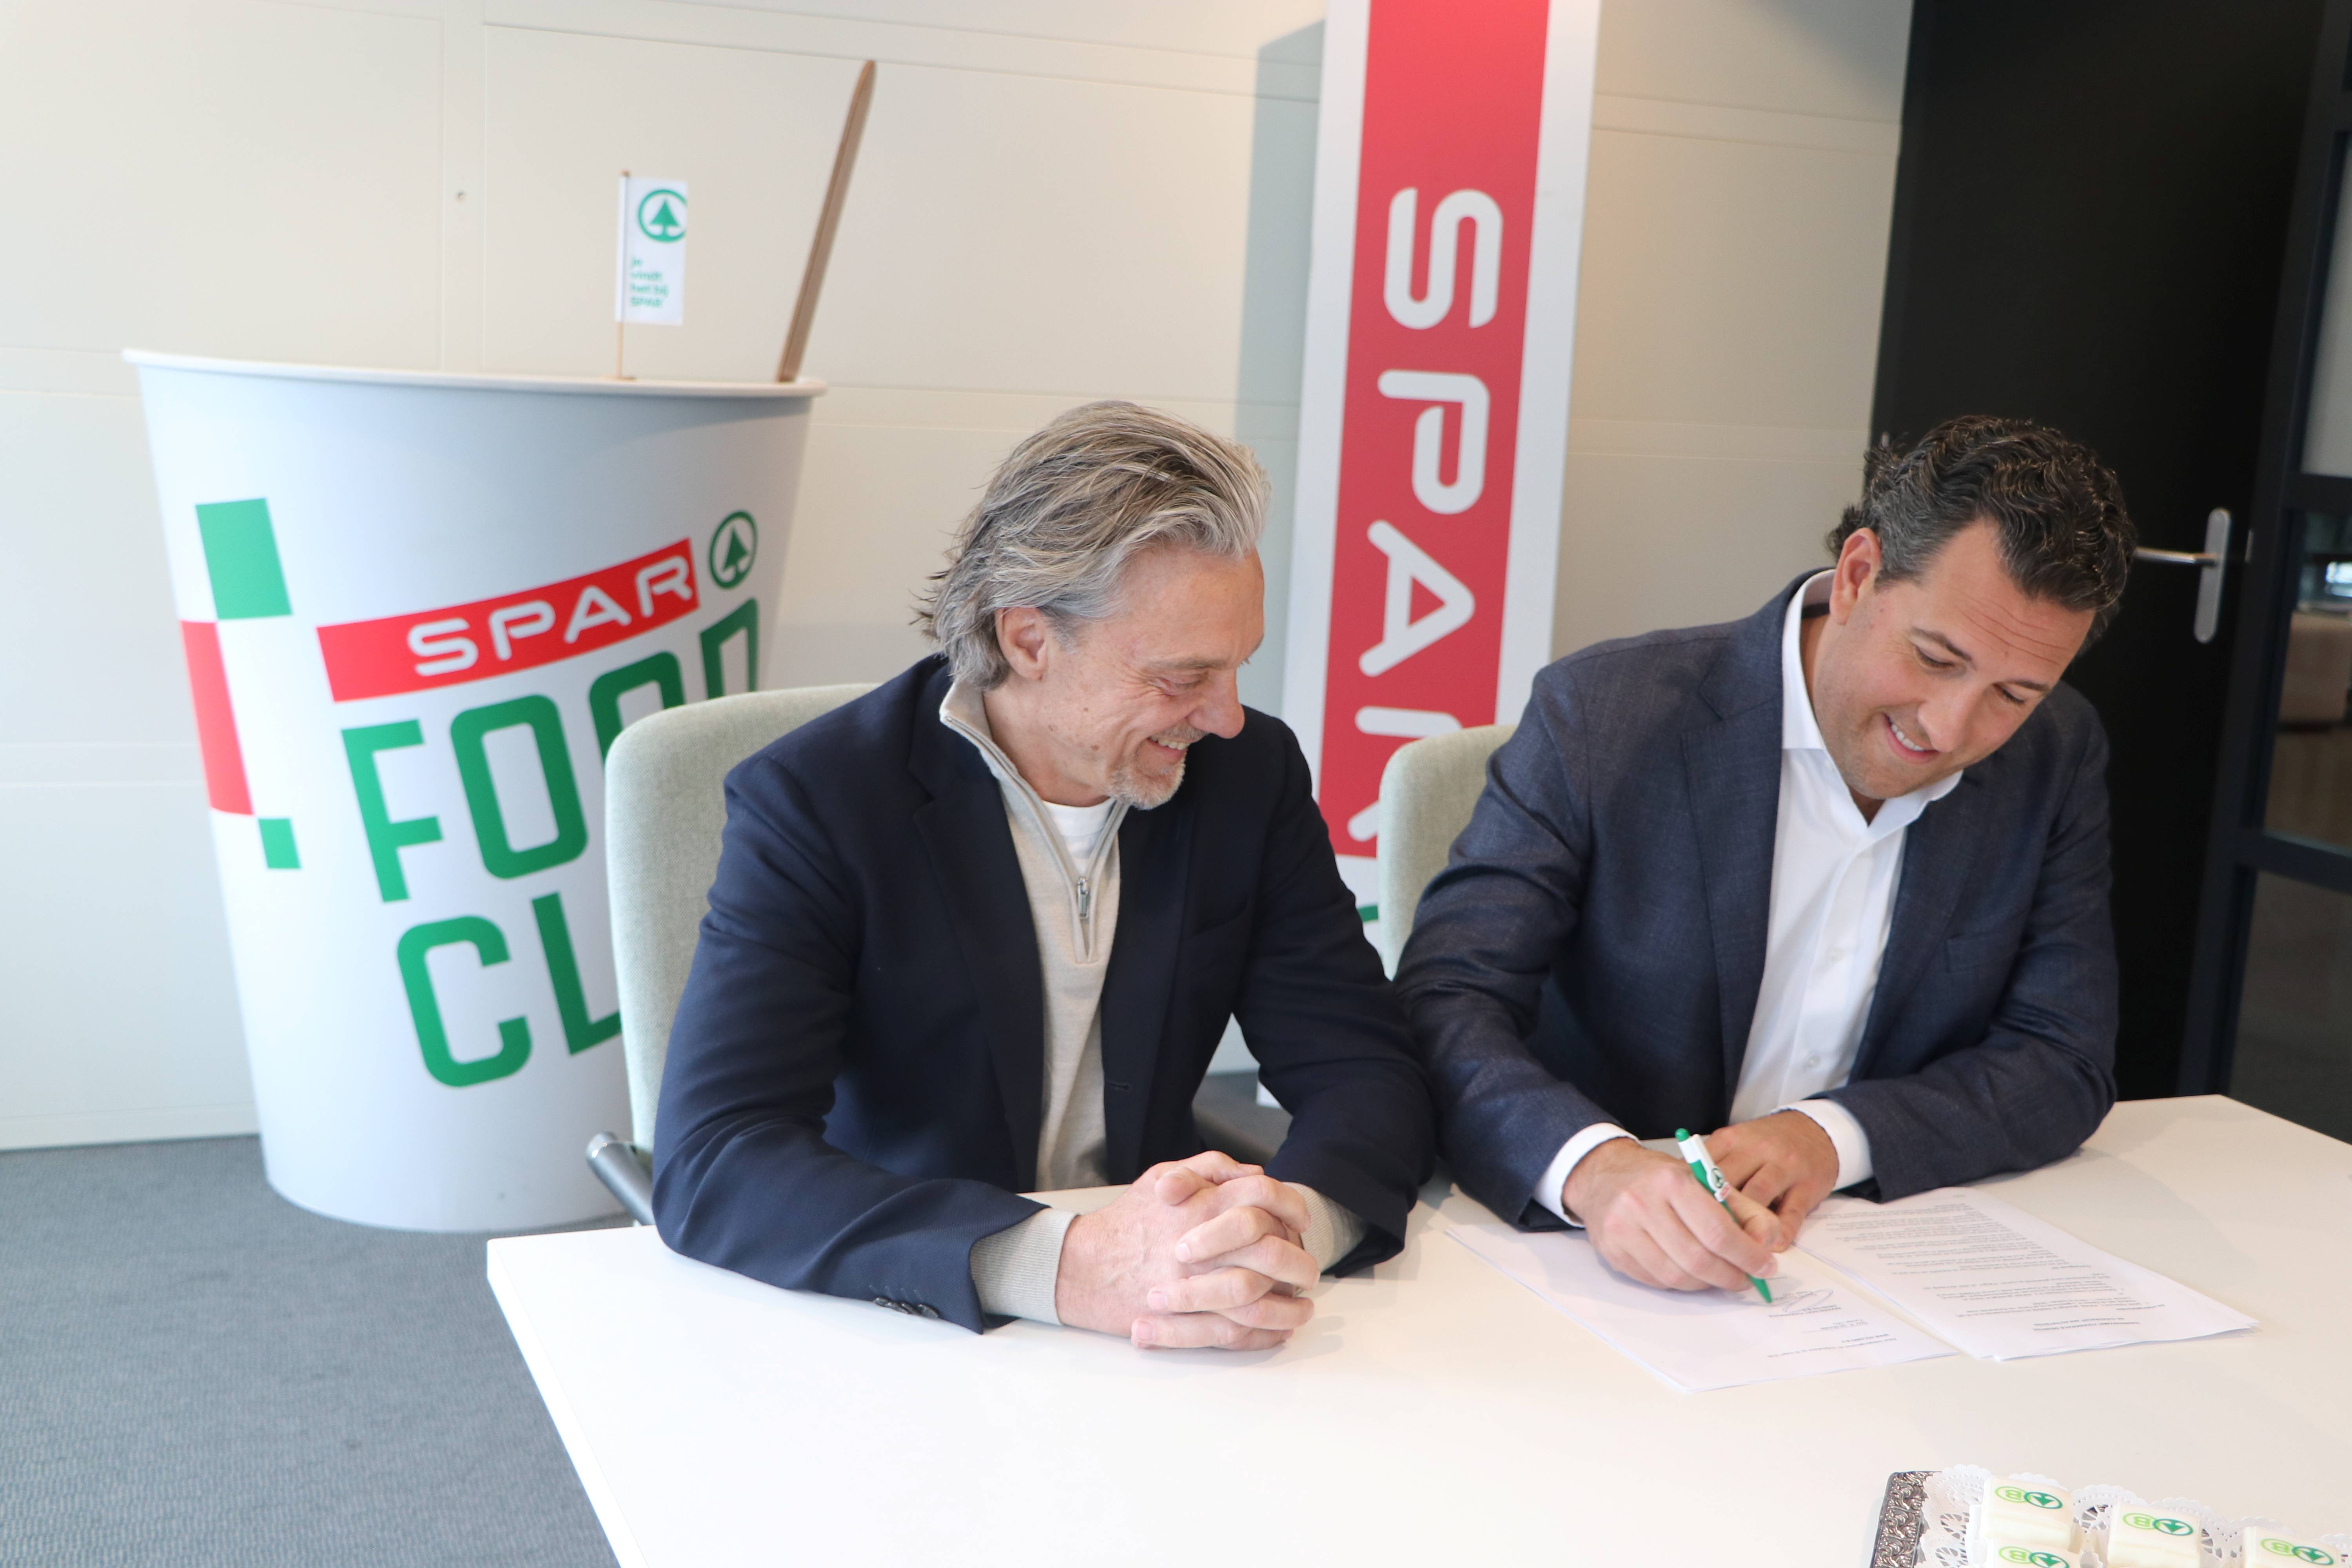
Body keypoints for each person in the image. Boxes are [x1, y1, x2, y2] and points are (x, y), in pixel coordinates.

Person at [653, 401, 1434, 1348]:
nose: (1227, 716)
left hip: (1162, 1306)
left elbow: (1363, 1067)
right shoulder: (821, 802)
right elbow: (717, 1157)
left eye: (1237, 668)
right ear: (1028, 641)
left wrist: (1287, 1229)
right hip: (911, 1312)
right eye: (1183, 678)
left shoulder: (1247, 776)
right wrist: (1069, 1265)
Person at [1397, 415, 2134, 1296]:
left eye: (2012, 694)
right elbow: (1447, 1002)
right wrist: (1594, 1169)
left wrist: (1830, 1137)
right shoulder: (1602, 715)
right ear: (1858, 576)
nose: (1949, 729)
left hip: (1861, 1263)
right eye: (1936, 658)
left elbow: (2061, 1056)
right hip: (1581, 1269)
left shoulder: (2055, 753)